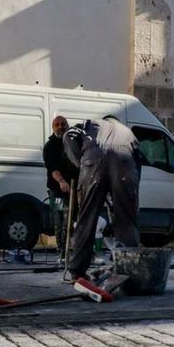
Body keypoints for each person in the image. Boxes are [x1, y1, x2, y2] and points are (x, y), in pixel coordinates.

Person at [63, 116, 141, 281]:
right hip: (125, 164)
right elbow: (137, 162)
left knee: (86, 218)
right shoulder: (128, 132)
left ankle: (77, 271)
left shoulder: (90, 124)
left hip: (93, 160)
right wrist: (130, 193)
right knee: (126, 219)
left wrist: (81, 162)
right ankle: (127, 270)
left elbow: (68, 135)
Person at [42, 115, 76, 255]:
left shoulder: (72, 143)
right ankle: (62, 251)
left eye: (63, 124)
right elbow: (52, 168)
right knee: (60, 221)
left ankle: (68, 249)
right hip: (57, 191)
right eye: (57, 124)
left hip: (73, 190)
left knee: (70, 221)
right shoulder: (50, 146)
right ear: (53, 127)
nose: (61, 126)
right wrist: (61, 181)